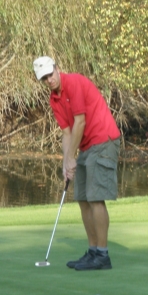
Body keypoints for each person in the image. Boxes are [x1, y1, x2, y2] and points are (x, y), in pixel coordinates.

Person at [33, 56, 121, 271]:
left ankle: (103, 254)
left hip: (103, 140)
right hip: (86, 146)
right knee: (82, 197)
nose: (49, 80)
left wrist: (73, 156)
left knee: (95, 197)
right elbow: (66, 132)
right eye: (44, 78)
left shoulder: (73, 82)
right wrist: (66, 163)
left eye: (50, 74)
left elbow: (80, 121)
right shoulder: (54, 100)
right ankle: (92, 252)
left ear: (57, 68)